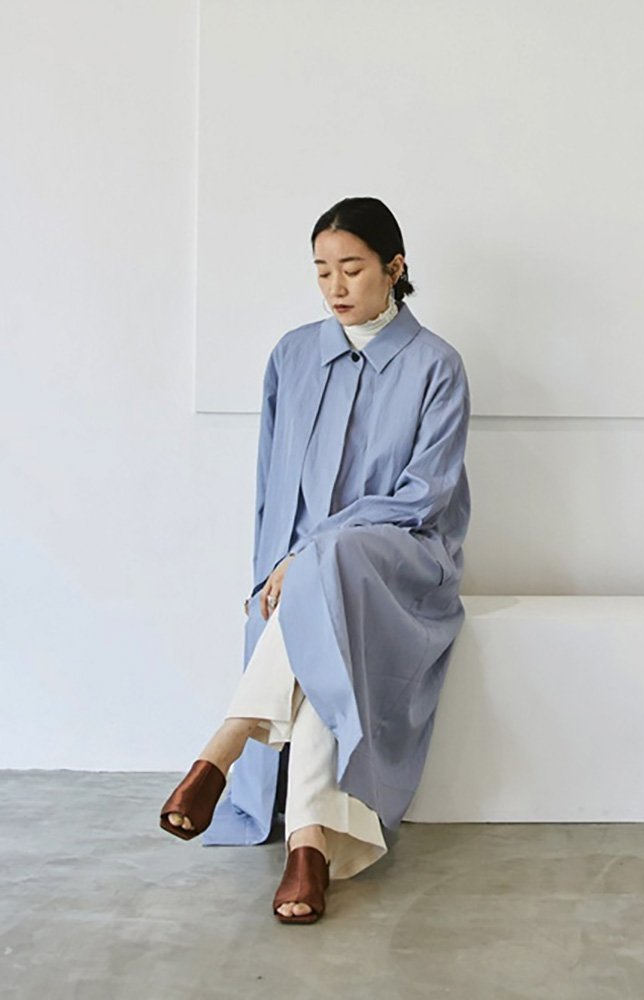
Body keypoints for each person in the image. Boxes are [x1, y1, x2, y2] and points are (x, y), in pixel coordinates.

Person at [159, 196, 471, 924]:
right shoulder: (293, 356)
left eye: (352, 268)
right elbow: (271, 489)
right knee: (323, 603)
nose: (336, 286)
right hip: (303, 574)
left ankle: (227, 742)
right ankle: (308, 842)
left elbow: (425, 496)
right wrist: (274, 567)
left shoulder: (436, 365)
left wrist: (307, 553)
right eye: (322, 270)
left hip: (404, 560)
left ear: (394, 267)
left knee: (332, 564)